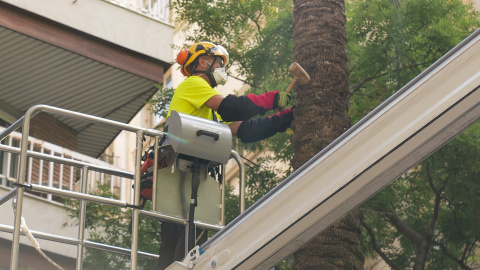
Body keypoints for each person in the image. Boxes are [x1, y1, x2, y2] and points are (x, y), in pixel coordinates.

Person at [156, 41, 294, 269]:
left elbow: (245, 129)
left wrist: (284, 119)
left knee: (184, 245)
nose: (222, 68)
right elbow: (232, 107)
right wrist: (270, 100)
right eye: (219, 62)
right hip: (179, 177)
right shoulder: (193, 84)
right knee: (178, 249)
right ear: (203, 62)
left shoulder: (207, 108)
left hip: (190, 178)